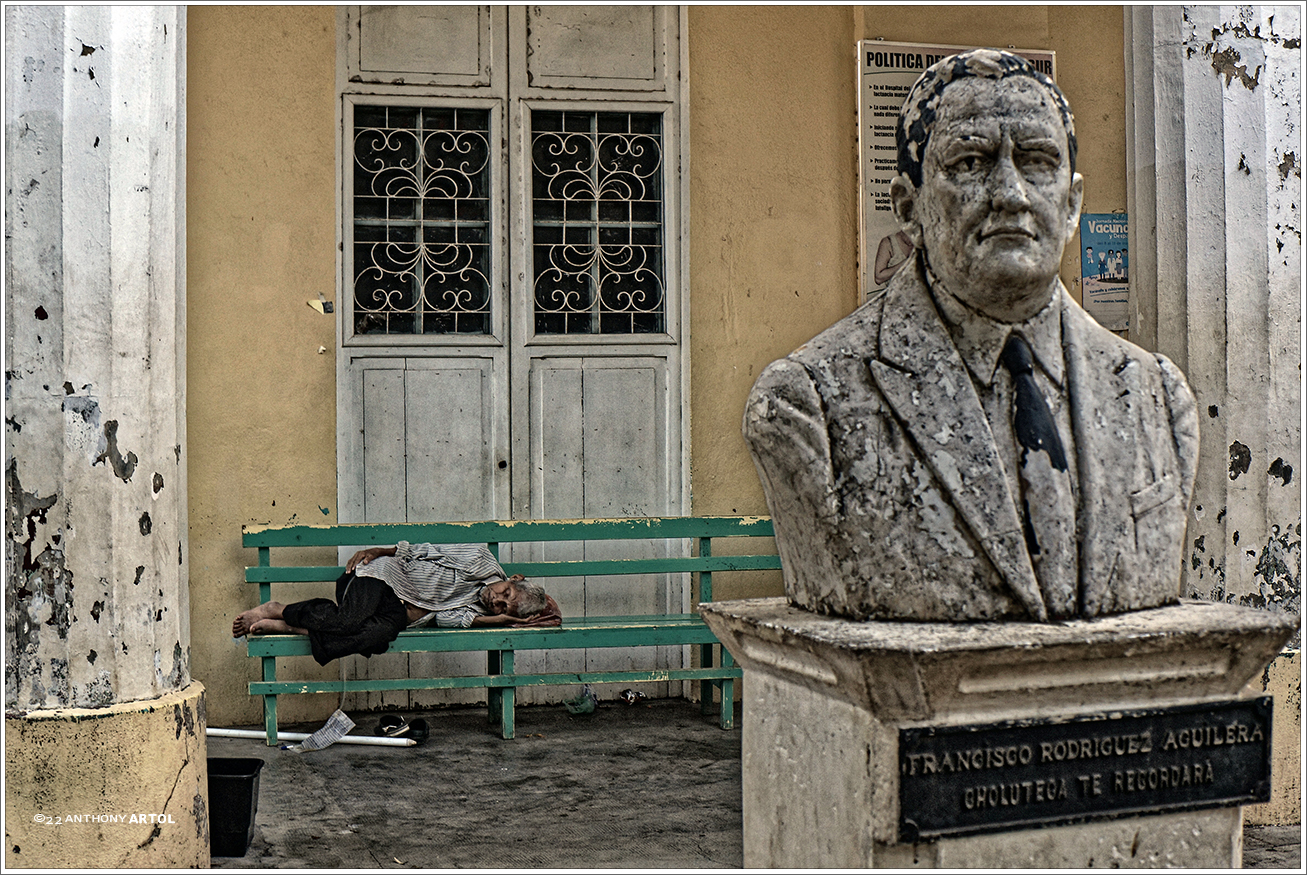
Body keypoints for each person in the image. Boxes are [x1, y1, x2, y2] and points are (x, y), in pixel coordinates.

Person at [743, 49, 1197, 623]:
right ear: (908, 208)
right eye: (970, 162)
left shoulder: (1158, 398)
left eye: (1037, 161)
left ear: (1073, 203)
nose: (1011, 193)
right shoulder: (806, 405)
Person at [232, 542, 561, 665]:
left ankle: (294, 627)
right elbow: (425, 551)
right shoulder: (479, 560)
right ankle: (278, 610)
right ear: (513, 578)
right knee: (349, 621)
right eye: (506, 592)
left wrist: (498, 622)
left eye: (503, 608)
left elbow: (445, 620)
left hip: (398, 613)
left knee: (374, 638)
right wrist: (380, 551)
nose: (496, 600)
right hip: (383, 578)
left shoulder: (479, 612)